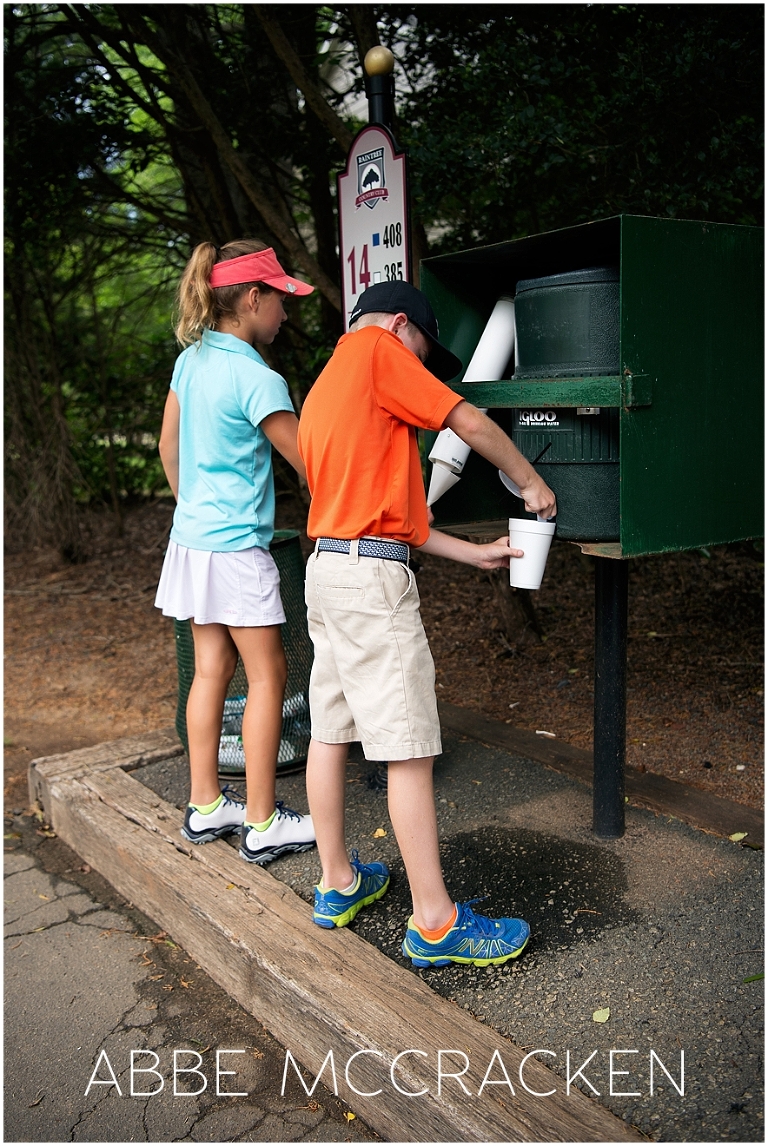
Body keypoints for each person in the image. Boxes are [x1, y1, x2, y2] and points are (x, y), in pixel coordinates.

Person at [297, 280, 557, 967]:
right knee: (408, 747)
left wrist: (474, 555)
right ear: (402, 326)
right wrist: (531, 484)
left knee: (330, 731)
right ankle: (436, 922)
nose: (420, 362)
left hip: (328, 571)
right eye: (423, 347)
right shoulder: (380, 351)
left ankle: (337, 882)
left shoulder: (327, 385)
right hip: (371, 588)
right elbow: (468, 421)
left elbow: (390, 522)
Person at [155, 239, 316, 865]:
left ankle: (204, 805)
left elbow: (168, 445)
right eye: (280, 300)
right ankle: (262, 818)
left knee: (211, 671)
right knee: (270, 673)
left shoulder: (191, 360)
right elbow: (310, 464)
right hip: (238, 551)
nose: (284, 313)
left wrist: (193, 506)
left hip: (192, 542)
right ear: (252, 298)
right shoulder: (255, 375)